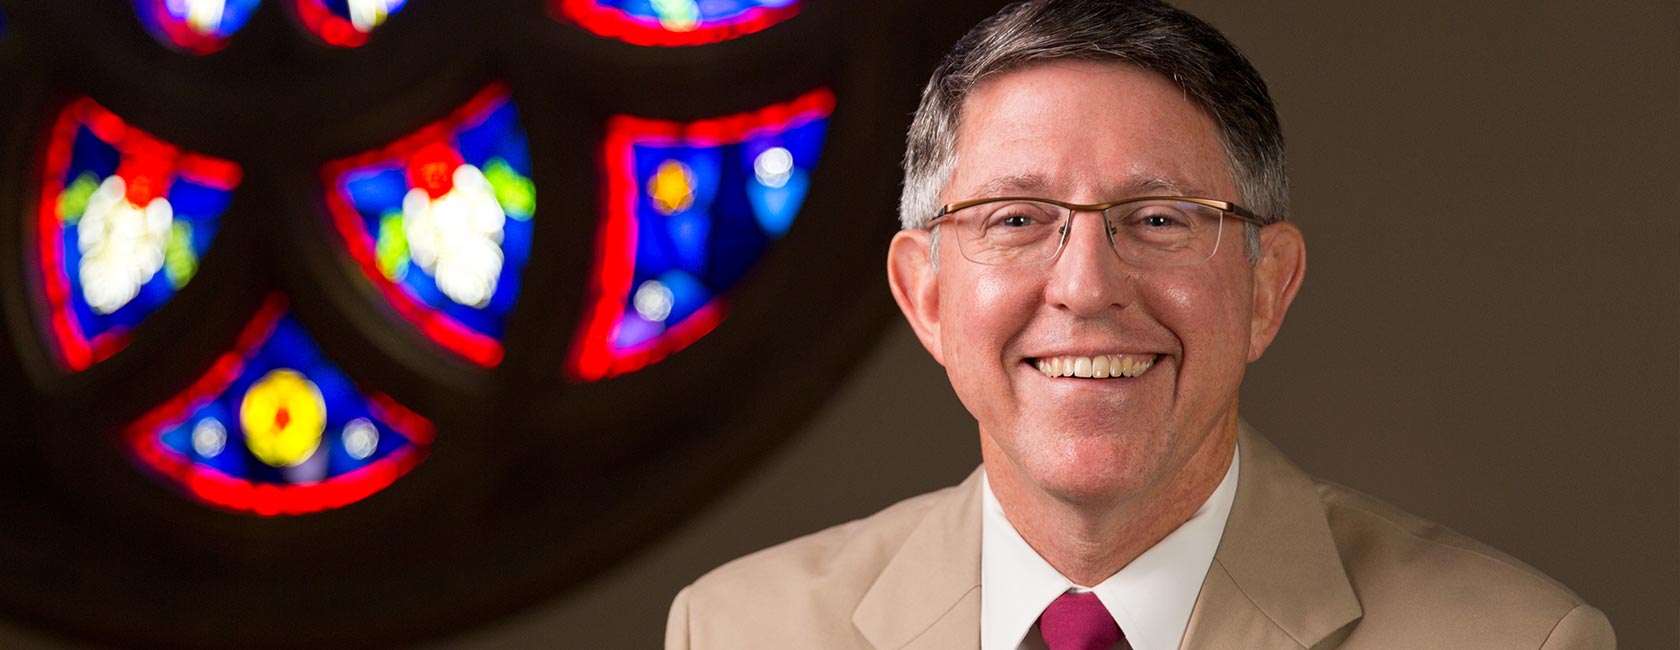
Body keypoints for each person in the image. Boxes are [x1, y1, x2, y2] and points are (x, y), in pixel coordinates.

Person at [664, 1, 1616, 648]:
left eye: (1160, 219)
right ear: (926, 294)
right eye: (1015, 219)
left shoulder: (1519, 641)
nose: (1085, 286)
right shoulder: (737, 629)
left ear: (1266, 289)